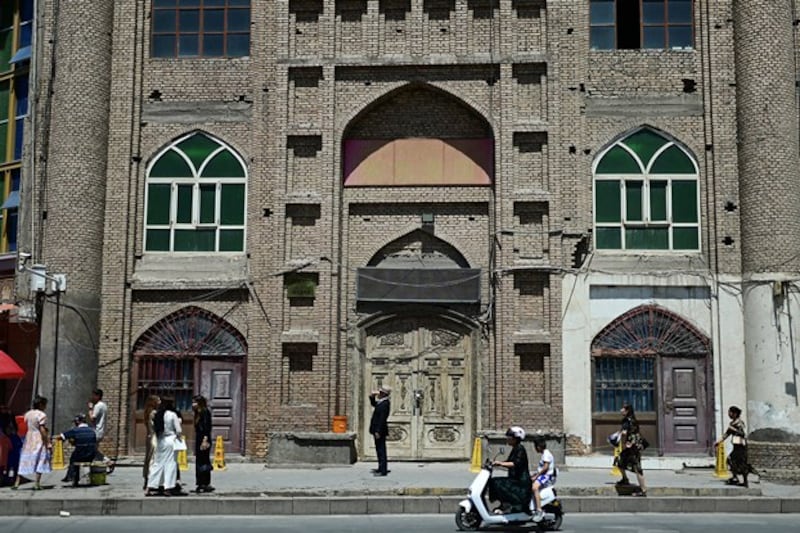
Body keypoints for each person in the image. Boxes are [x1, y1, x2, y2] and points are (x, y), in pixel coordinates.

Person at [145, 396, 184, 496]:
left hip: (160, 440)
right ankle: (168, 487)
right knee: (171, 464)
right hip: (171, 440)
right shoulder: (172, 415)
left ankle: (150, 486)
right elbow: (179, 430)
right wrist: (178, 436)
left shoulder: (158, 414)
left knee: (157, 464)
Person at [489, 426, 532, 514]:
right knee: (493, 481)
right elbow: (509, 462)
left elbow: (515, 463)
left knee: (497, 483)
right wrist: (496, 463)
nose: (508, 439)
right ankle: (504, 504)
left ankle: (508, 505)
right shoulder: (515, 448)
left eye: (510, 437)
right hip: (514, 479)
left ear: (516, 438)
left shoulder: (520, 449)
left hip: (520, 482)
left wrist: (500, 463)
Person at [14, 395, 51, 490]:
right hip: (38, 437)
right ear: (41, 405)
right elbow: (42, 429)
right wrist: (47, 441)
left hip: (29, 437)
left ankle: (17, 482)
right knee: (41, 458)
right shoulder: (41, 415)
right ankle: (37, 483)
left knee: (25, 458)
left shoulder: (28, 414)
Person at [715, 405, 756, 488]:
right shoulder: (732, 424)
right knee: (731, 461)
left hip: (741, 447)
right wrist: (719, 441)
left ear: (735, 413)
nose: (729, 414)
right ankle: (735, 477)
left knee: (740, 463)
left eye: (730, 413)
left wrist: (734, 429)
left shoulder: (739, 423)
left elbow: (742, 434)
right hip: (736, 446)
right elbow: (726, 434)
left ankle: (744, 481)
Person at [54, 414, 97, 487]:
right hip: (91, 456)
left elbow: (60, 437)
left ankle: (71, 477)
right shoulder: (92, 431)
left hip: (80, 456)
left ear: (77, 422)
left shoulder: (75, 430)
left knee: (73, 459)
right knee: (78, 453)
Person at [614, 402, 647, 497]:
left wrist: (623, 443)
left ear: (627, 411)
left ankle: (643, 489)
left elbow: (624, 433)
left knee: (637, 468)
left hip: (632, 447)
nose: (621, 410)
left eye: (623, 409)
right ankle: (625, 479)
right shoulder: (633, 420)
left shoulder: (627, 421)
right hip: (635, 446)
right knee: (620, 461)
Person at [192, 395, 214, 493]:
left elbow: (207, 427)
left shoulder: (205, 412)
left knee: (204, 460)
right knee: (199, 461)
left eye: (195, 402)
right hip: (199, 438)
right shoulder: (197, 413)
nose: (193, 404)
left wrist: (205, 440)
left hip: (204, 439)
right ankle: (200, 482)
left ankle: (205, 483)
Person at [530, 436, 556, 521]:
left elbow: (545, 468)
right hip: (543, 475)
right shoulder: (544, 454)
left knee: (534, 487)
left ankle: (539, 510)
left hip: (547, 476)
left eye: (535, 446)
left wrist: (536, 476)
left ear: (538, 447)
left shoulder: (546, 454)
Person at [368, 386, 391, 476]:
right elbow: (374, 404)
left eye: (380, 392)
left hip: (380, 431)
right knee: (378, 450)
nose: (379, 393)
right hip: (377, 430)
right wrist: (372, 396)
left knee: (381, 450)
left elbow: (382, 419)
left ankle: (383, 471)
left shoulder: (385, 404)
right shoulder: (381, 402)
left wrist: (378, 431)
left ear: (384, 394)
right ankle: (380, 467)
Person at [142, 395, 160, 491]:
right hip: (154, 437)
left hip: (149, 436)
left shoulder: (147, 412)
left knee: (148, 458)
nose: (160, 401)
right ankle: (151, 480)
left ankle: (146, 478)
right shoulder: (153, 413)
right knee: (153, 459)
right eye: (158, 400)